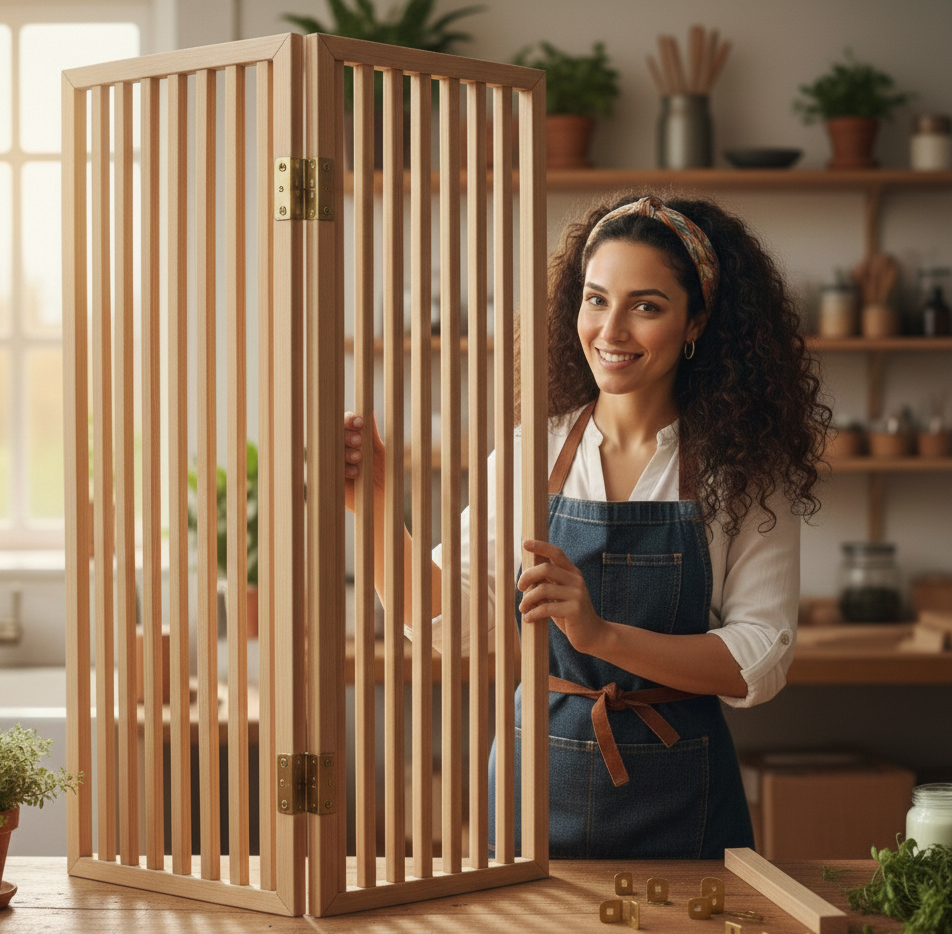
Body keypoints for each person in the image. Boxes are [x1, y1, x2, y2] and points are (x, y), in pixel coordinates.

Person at [343, 193, 831, 859]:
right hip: (535, 789)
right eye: (596, 299)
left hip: (682, 795)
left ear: (697, 321)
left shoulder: (742, 470)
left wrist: (602, 635)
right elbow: (450, 621)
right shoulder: (530, 455)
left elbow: (758, 656)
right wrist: (374, 510)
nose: (612, 329)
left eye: (646, 305)